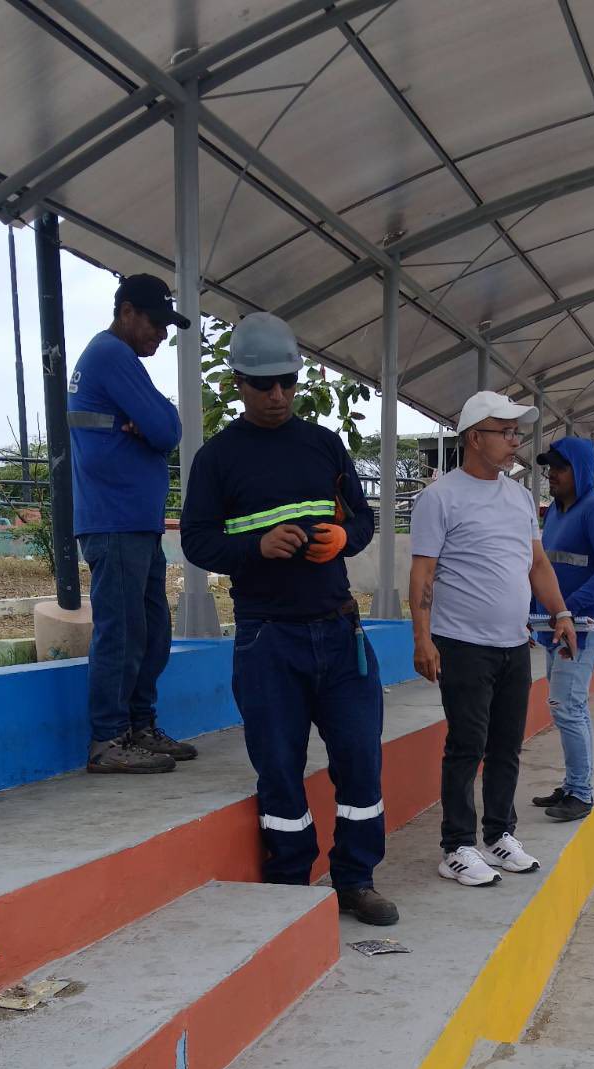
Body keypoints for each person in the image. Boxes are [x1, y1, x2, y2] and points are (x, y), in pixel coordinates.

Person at [180, 312, 398, 927]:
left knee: (360, 760)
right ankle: (290, 887)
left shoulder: (323, 444)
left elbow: (363, 518)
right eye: (262, 384)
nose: (277, 394)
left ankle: (355, 880)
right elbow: (197, 540)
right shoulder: (218, 459)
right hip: (268, 639)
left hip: (339, 632)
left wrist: (345, 539)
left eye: (287, 382)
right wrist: (257, 547)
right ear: (238, 383)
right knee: (278, 768)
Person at [409, 391, 578, 888]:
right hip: (461, 643)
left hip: (513, 644)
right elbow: (423, 574)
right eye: (504, 432)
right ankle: (457, 847)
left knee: (506, 745)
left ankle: (499, 834)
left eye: (515, 432)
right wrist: (422, 639)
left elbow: (537, 564)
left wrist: (561, 612)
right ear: (473, 438)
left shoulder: (519, 498)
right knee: (467, 746)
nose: (514, 441)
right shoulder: (440, 498)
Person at [68, 273, 196, 775]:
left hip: (134, 522)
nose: (161, 335)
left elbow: (165, 423)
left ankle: (140, 724)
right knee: (122, 632)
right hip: (115, 519)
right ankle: (108, 738)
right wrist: (153, 422)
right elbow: (165, 430)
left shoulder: (116, 359)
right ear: (126, 313)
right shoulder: (111, 355)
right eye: (155, 323)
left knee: (151, 630)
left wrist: (157, 419)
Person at [531, 438, 594, 822]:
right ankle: (573, 784)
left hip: (583, 628)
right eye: (549, 468)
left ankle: (581, 794)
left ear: (581, 471)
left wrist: (569, 608)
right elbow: (544, 567)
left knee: (566, 706)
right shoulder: (555, 512)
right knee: (570, 706)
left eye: (560, 468)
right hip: (557, 626)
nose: (551, 474)